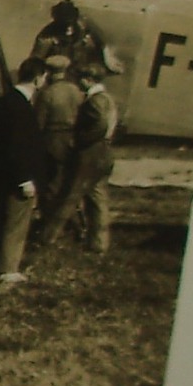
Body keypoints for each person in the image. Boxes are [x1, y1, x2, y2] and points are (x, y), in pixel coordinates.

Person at [36, 62, 120, 253]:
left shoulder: (95, 101)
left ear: (89, 80)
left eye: (80, 79)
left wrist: (80, 140)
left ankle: (47, 238)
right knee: (98, 199)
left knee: (68, 197)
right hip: (105, 154)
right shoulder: (108, 99)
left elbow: (99, 124)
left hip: (90, 155)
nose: (78, 83)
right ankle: (99, 243)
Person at [0, 57, 51, 283]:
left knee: (2, 220)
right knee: (16, 223)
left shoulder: (6, 101)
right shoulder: (21, 107)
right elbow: (18, 146)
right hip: (18, 175)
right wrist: (25, 179)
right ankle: (8, 268)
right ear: (37, 78)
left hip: (2, 172)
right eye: (44, 77)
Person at [34, 54, 86, 228]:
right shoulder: (76, 91)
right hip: (72, 140)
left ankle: (48, 224)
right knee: (67, 182)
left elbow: (38, 123)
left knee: (49, 184)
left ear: (48, 72)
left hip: (52, 140)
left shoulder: (47, 94)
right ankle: (71, 222)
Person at [31, 0, 117, 75]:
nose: (68, 28)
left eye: (71, 23)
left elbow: (102, 42)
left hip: (81, 65)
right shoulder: (46, 37)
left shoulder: (84, 22)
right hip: (60, 71)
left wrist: (109, 60)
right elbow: (34, 62)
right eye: (63, 25)